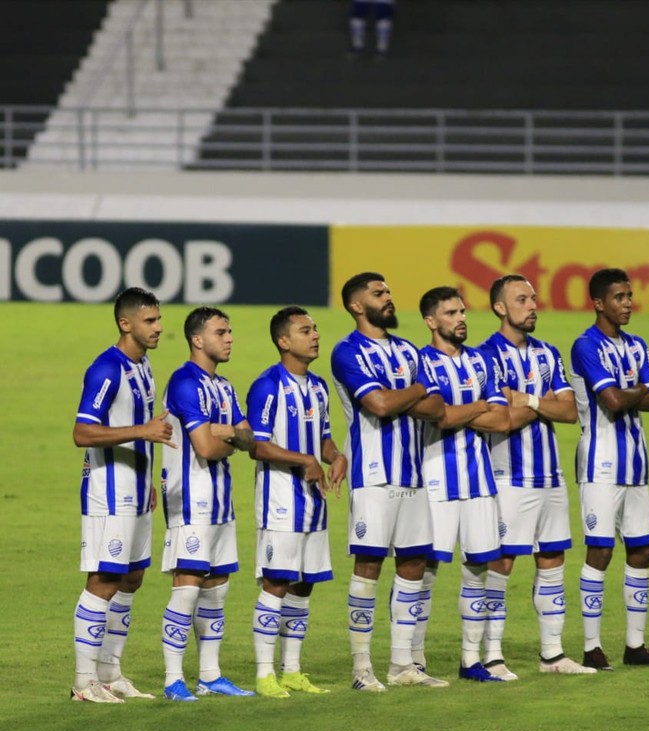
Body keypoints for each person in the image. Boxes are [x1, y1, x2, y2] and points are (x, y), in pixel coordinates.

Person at [330, 272, 449, 691]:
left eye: (388, 292)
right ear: (357, 306)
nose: (389, 298)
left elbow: (437, 408)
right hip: (374, 476)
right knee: (369, 568)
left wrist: (407, 396)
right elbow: (377, 404)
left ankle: (402, 666)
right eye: (379, 294)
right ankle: (362, 669)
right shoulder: (347, 352)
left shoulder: (408, 350)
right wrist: (415, 390)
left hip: (413, 474)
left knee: (414, 563)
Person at [477, 275, 596, 679]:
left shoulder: (547, 353)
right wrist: (543, 404)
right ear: (499, 308)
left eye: (533, 298)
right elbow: (501, 422)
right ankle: (491, 655)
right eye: (522, 299)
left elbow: (571, 412)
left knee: (552, 559)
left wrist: (525, 399)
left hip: (550, 476)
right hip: (508, 477)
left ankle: (552, 654)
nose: (533, 305)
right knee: (503, 561)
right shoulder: (485, 358)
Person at [570, 268, 649, 671]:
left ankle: (635, 646)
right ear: (598, 303)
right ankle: (592, 647)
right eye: (619, 297)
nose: (628, 303)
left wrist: (627, 393)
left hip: (636, 466)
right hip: (600, 465)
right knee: (600, 550)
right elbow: (612, 402)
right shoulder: (586, 346)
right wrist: (637, 392)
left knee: (642, 549)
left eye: (630, 295)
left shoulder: (637, 345)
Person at [71, 287, 173, 702]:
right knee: (105, 578)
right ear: (125, 323)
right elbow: (82, 433)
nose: (158, 328)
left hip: (135, 490)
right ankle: (83, 682)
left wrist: (146, 477)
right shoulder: (106, 369)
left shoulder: (143, 365)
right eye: (149, 321)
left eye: (159, 320)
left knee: (132, 578)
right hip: (108, 494)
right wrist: (143, 431)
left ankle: (111, 673)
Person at [247, 306, 347, 698]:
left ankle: (291, 670)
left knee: (304, 586)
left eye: (316, 329)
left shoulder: (318, 387)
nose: (316, 335)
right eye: (306, 330)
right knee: (277, 583)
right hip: (280, 503)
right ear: (283, 341)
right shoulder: (268, 385)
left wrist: (335, 456)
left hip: (314, 502)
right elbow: (256, 445)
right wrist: (304, 460)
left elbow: (323, 436)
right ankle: (263, 674)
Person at [414, 287, 510, 683]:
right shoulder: (420, 362)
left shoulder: (482, 361)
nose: (461, 318)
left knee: (478, 567)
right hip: (434, 480)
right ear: (431, 321)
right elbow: (438, 418)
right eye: (451, 312)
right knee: (423, 571)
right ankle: (413, 658)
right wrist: (476, 409)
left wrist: (457, 413)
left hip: (479, 481)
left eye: (462, 311)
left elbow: (502, 420)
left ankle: (471, 660)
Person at [159, 307, 255, 701]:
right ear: (198, 340)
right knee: (188, 587)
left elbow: (249, 440)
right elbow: (205, 447)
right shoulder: (184, 382)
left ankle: (210, 675)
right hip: (190, 501)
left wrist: (226, 431)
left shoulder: (225, 386)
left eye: (230, 330)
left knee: (217, 588)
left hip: (220, 504)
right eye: (221, 332)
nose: (230, 337)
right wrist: (227, 434)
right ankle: (171, 680)